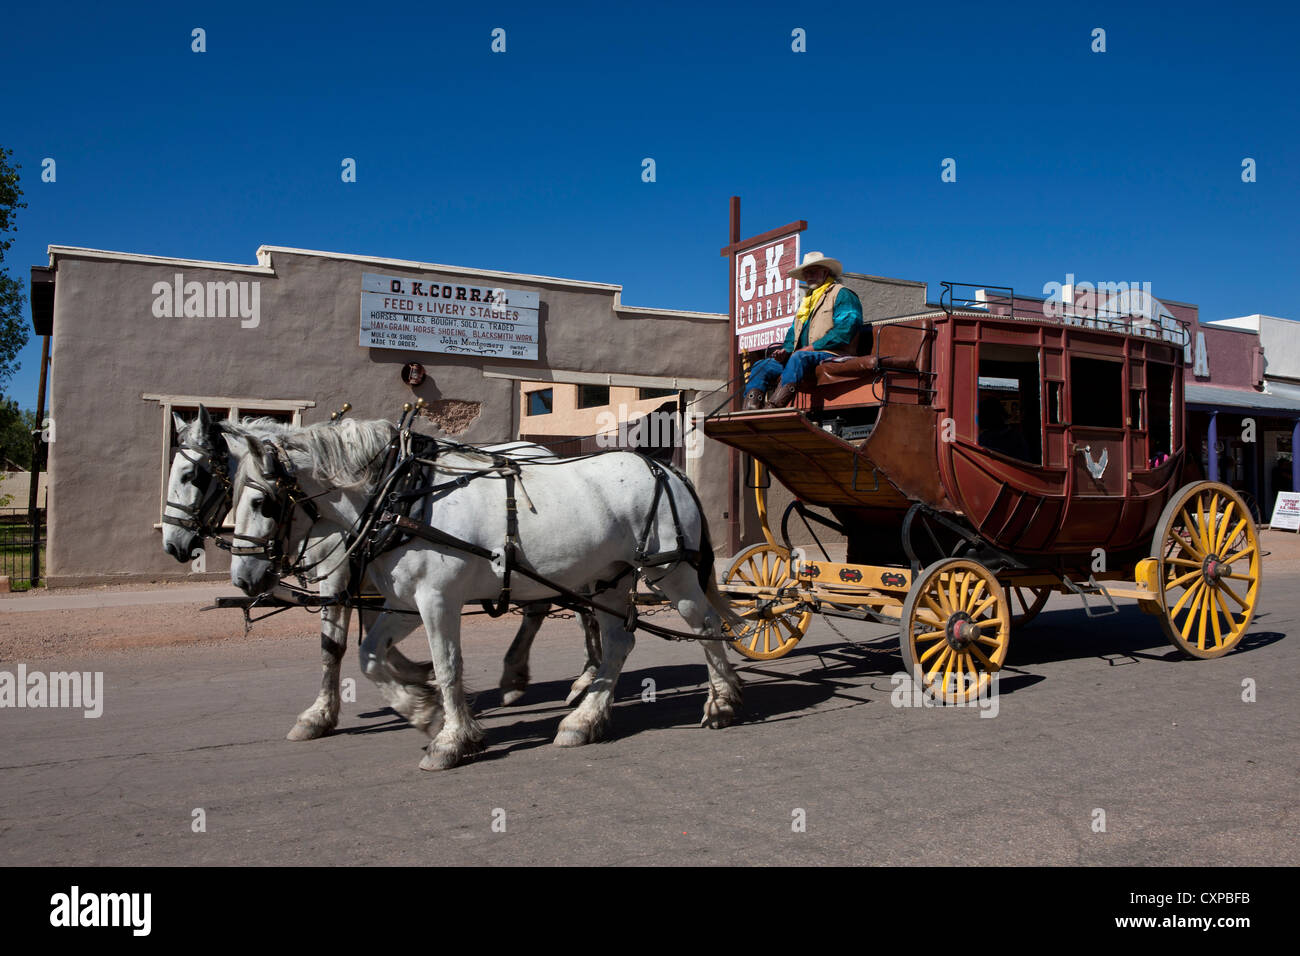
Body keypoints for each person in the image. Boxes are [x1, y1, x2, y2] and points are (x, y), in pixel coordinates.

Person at [742, 251, 864, 410]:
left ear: (825, 271)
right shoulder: (806, 303)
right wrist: (784, 351)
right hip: (802, 358)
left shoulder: (842, 294)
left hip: (834, 353)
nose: (809, 276)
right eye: (806, 273)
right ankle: (750, 409)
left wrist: (811, 348)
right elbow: (792, 336)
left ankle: (773, 408)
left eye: (813, 271)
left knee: (799, 357)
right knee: (762, 365)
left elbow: (845, 330)